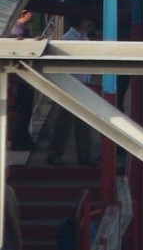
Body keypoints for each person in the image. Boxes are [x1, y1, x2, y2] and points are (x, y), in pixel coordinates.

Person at [47, 18, 96, 166]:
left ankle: (84, 156)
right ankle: (54, 155)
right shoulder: (68, 39)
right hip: (70, 87)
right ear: (82, 21)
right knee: (64, 123)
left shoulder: (84, 38)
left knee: (84, 124)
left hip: (83, 85)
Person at [9, 9, 36, 151]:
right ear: (24, 13)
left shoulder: (20, 28)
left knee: (25, 111)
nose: (33, 15)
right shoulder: (18, 30)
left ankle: (23, 138)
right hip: (20, 78)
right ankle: (19, 141)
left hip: (21, 78)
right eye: (31, 12)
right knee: (23, 111)